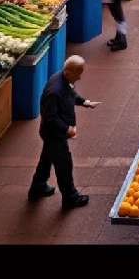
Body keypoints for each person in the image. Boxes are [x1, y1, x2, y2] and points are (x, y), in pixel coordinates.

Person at [28, 56, 99, 210]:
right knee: (64, 165)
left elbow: (71, 94)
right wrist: (67, 129)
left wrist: (84, 102)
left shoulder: (63, 80)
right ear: (68, 71)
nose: (80, 77)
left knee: (46, 158)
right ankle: (70, 197)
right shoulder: (54, 91)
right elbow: (50, 118)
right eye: (78, 73)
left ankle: (38, 186)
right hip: (54, 134)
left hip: (54, 133)